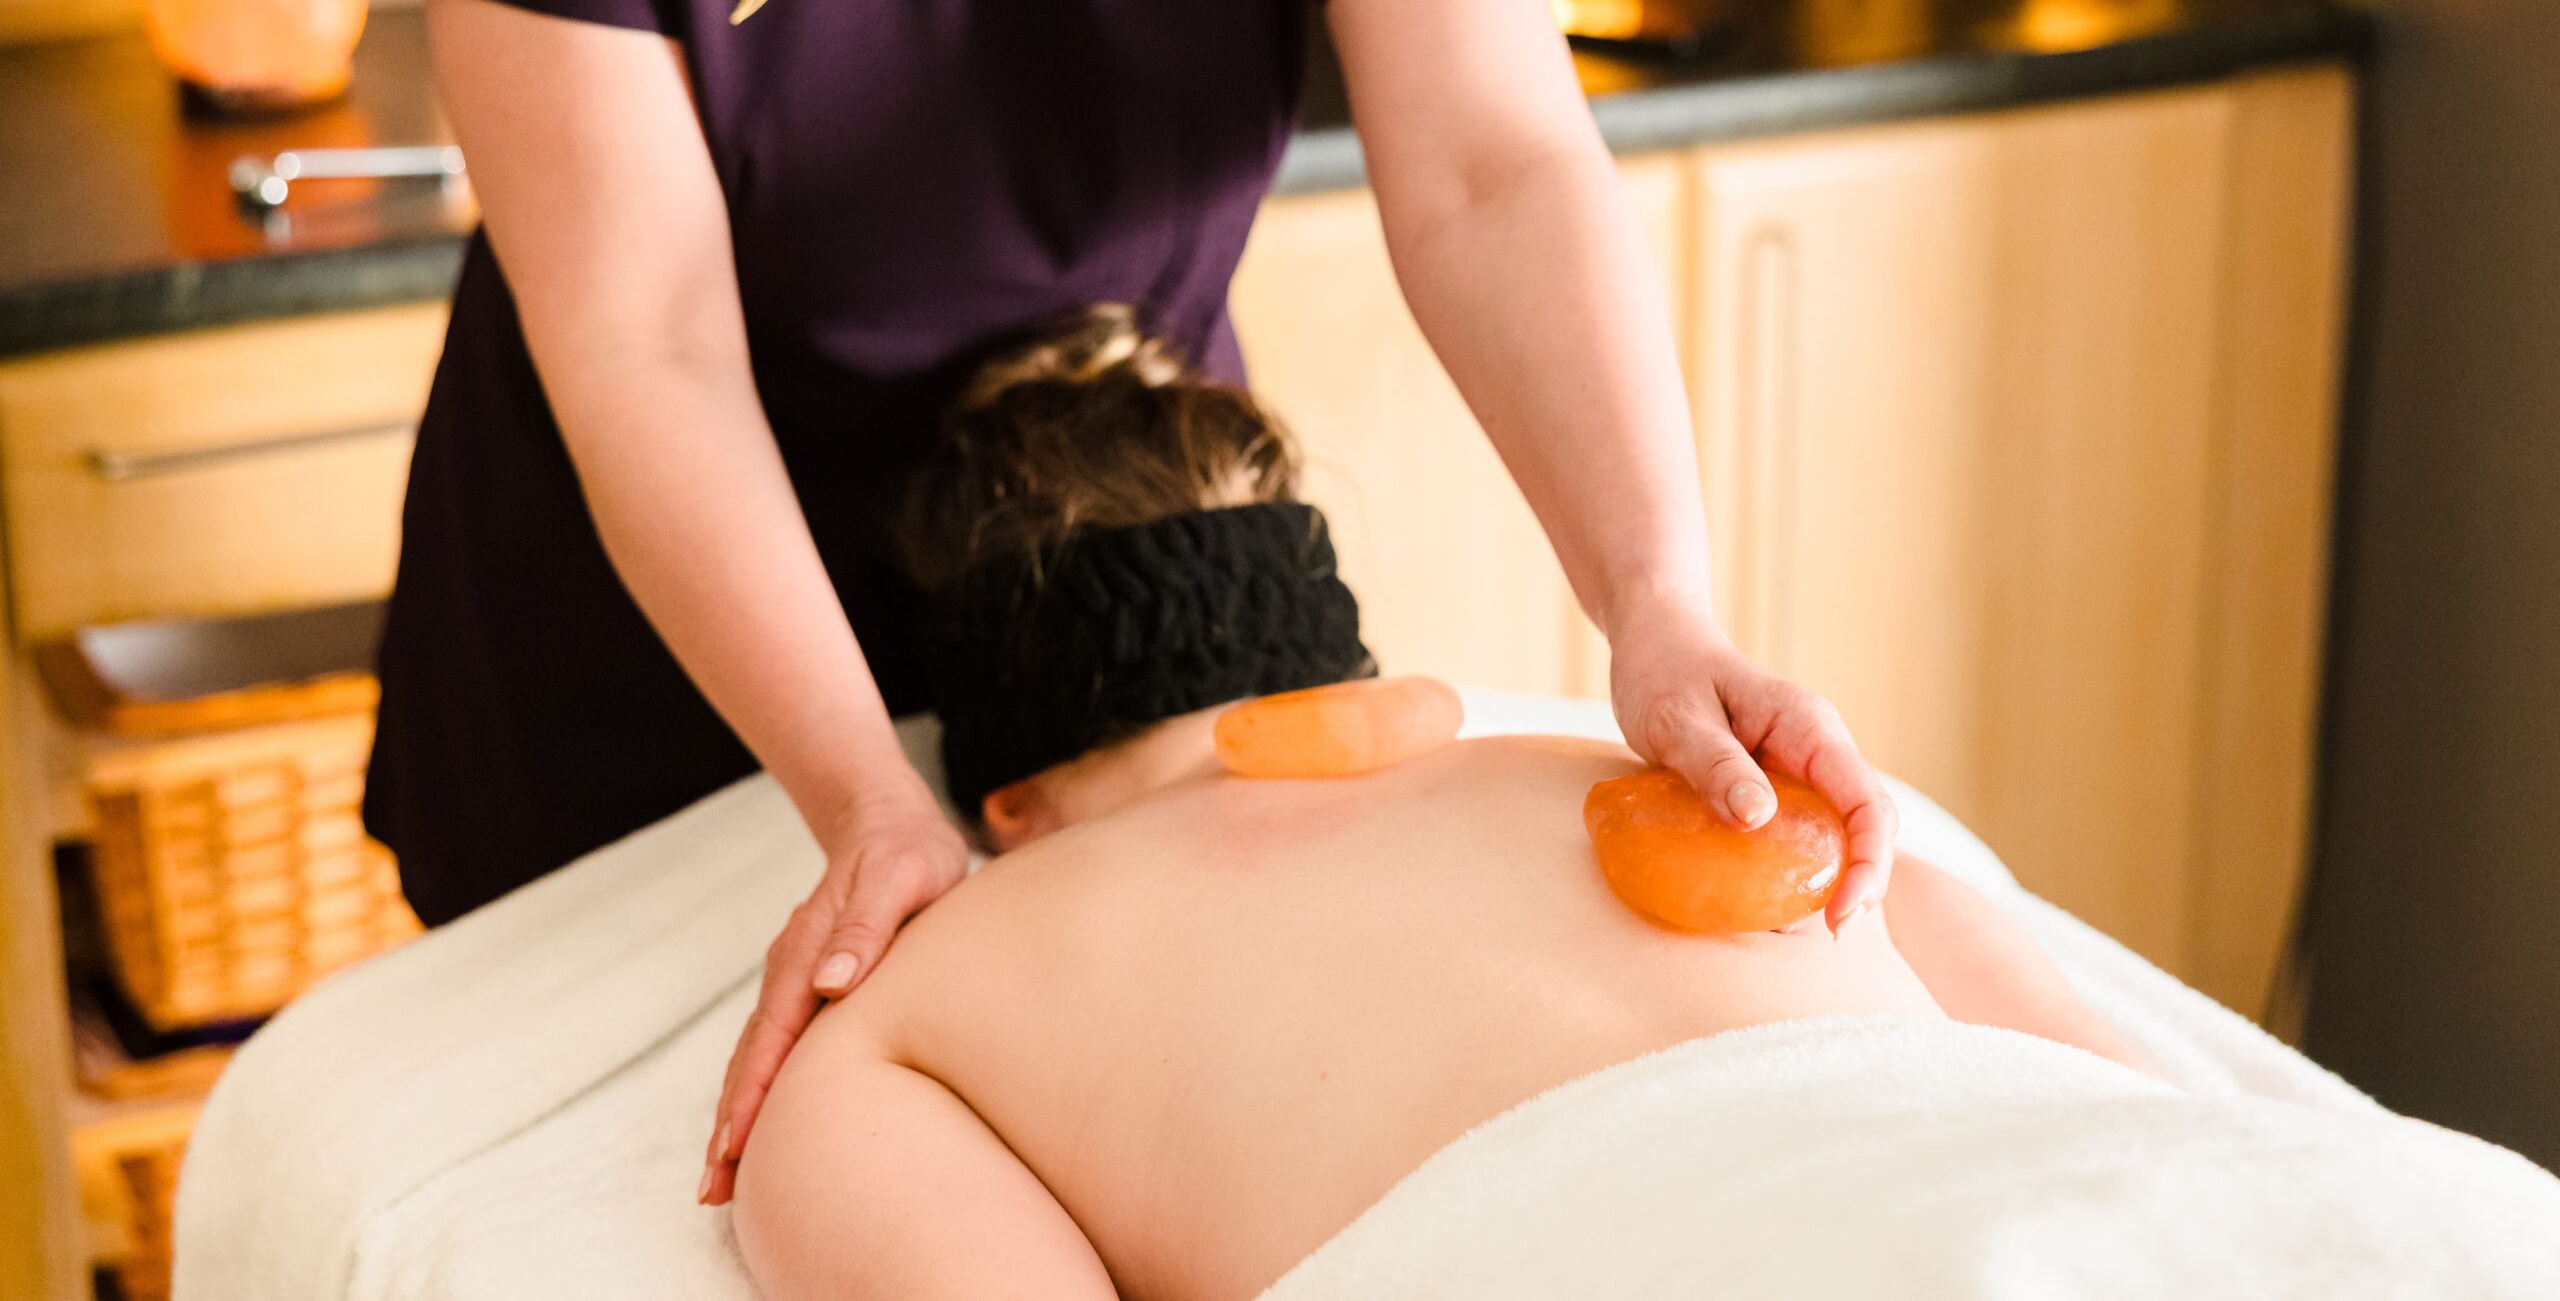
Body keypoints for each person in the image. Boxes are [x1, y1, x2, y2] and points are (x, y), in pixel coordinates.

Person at [359, 0, 1894, 1206]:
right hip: (678, 651)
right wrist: (867, 805)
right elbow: (645, 332)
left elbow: (1495, 167)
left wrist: (1658, 603)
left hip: (1114, 596)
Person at [728, 312, 2149, 1296]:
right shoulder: (1680, 784)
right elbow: (2145, 1130)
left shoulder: (921, 1009)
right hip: (2040, 1206)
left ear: (1007, 800)